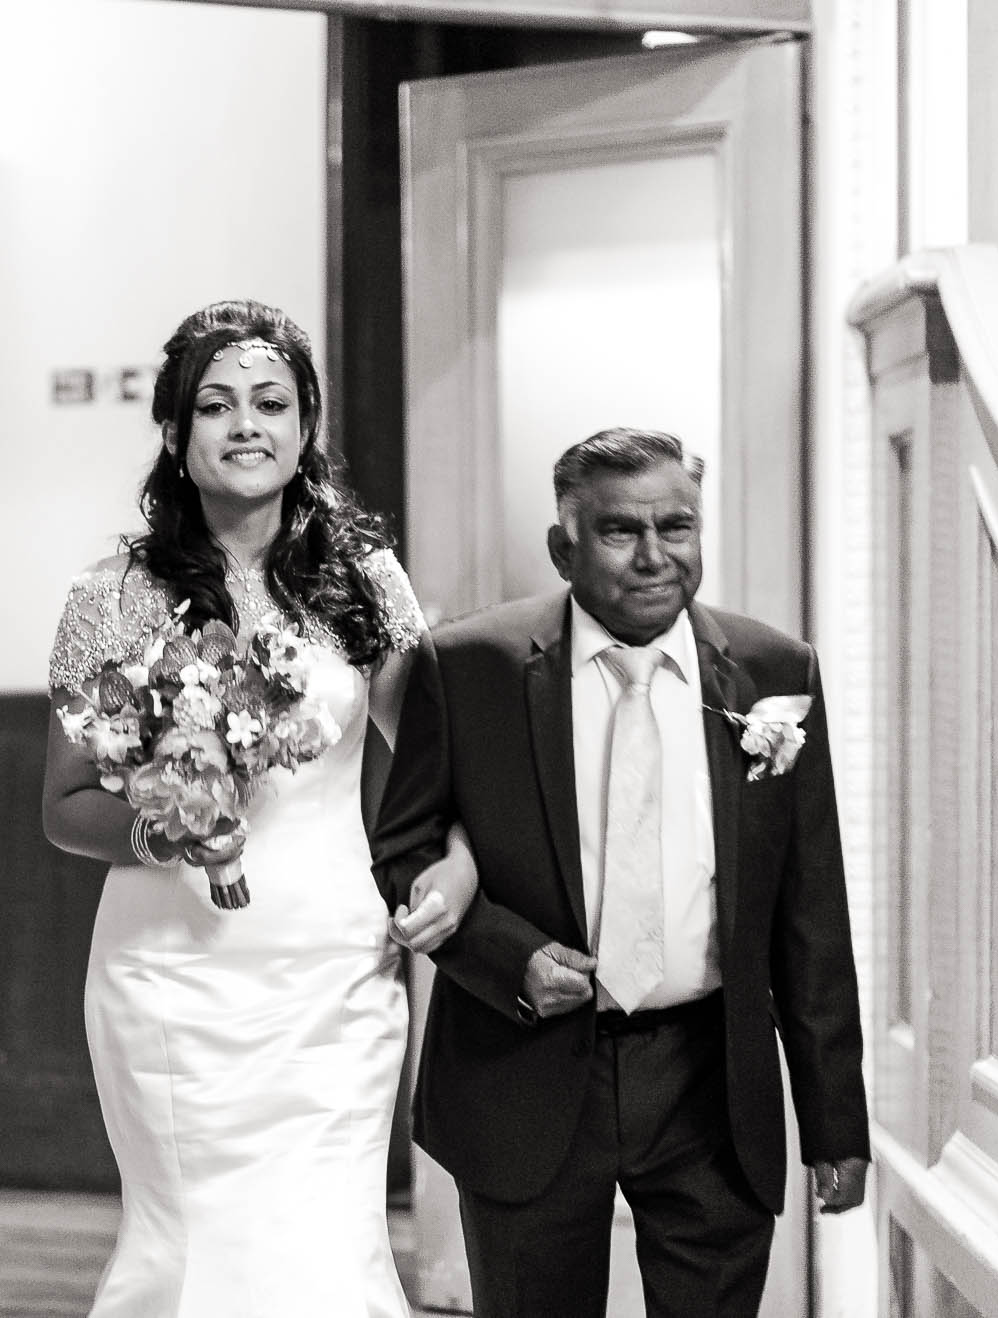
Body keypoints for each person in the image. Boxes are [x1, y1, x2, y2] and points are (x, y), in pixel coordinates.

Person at [371, 427, 870, 1317]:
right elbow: (405, 846)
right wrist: (508, 958)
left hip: (710, 1085)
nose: (654, 556)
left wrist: (836, 1121)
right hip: (525, 1072)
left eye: (676, 527)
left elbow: (812, 913)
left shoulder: (774, 672)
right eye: (619, 532)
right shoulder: (471, 665)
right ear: (563, 548)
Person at [43, 299, 476, 1317]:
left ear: (305, 425)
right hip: (168, 970)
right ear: (174, 433)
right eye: (216, 405)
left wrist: (455, 863)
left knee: (327, 1245)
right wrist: (163, 827)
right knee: (191, 1247)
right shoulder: (114, 594)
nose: (247, 425)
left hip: (334, 968)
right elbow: (62, 805)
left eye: (272, 403)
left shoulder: (366, 582)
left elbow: (438, 766)